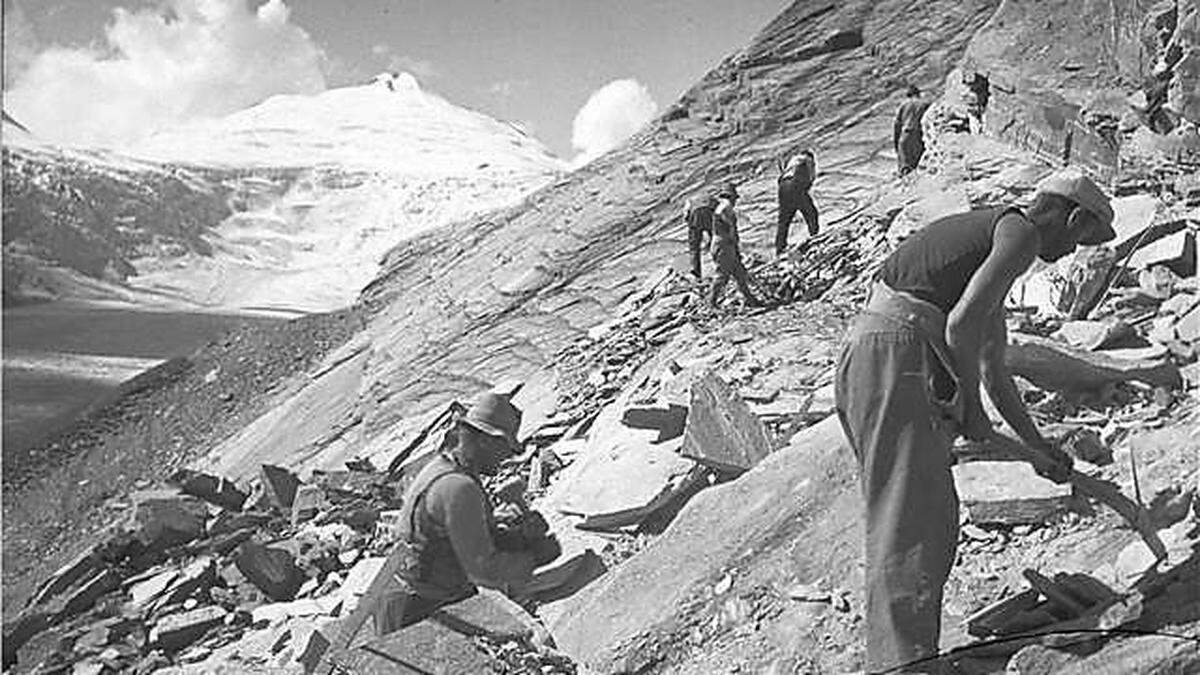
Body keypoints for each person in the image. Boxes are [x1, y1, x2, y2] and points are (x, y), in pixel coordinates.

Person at [834, 170, 1115, 673]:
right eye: (1081, 238)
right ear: (1073, 217)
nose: (1073, 252)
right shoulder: (1020, 233)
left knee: (921, 516)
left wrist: (1040, 447)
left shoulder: (992, 247)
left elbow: (992, 366)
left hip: (881, 353)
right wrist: (971, 408)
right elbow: (961, 326)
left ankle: (907, 658)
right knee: (910, 521)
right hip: (897, 356)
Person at [373, 392, 559, 633]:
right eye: (505, 447)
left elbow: (460, 536)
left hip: (415, 594)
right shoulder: (458, 486)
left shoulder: (447, 466)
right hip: (419, 609)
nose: (507, 457)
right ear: (485, 441)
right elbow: (482, 569)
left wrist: (518, 538)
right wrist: (534, 558)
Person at [709, 182, 763, 308]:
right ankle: (711, 303)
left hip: (724, 244)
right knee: (722, 275)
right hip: (724, 245)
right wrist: (735, 245)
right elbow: (731, 229)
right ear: (731, 197)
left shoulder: (721, 207)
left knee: (739, 273)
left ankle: (750, 299)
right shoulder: (726, 208)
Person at [775, 149, 819, 256]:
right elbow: (811, 177)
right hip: (796, 184)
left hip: (783, 187)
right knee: (811, 213)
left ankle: (780, 248)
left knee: (784, 220)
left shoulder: (792, 160)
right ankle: (815, 237)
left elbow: (780, 178)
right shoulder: (808, 159)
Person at [894, 85, 930, 176]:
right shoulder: (924, 104)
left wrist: (897, 142)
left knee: (905, 166)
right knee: (917, 165)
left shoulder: (903, 105)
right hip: (919, 136)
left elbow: (897, 125)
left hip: (906, 135)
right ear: (918, 94)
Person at [685, 193, 718, 278]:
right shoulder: (712, 199)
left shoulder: (690, 200)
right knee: (716, 241)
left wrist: (691, 227)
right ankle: (720, 264)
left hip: (695, 216)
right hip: (709, 214)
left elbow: (686, 216)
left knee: (694, 247)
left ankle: (695, 270)